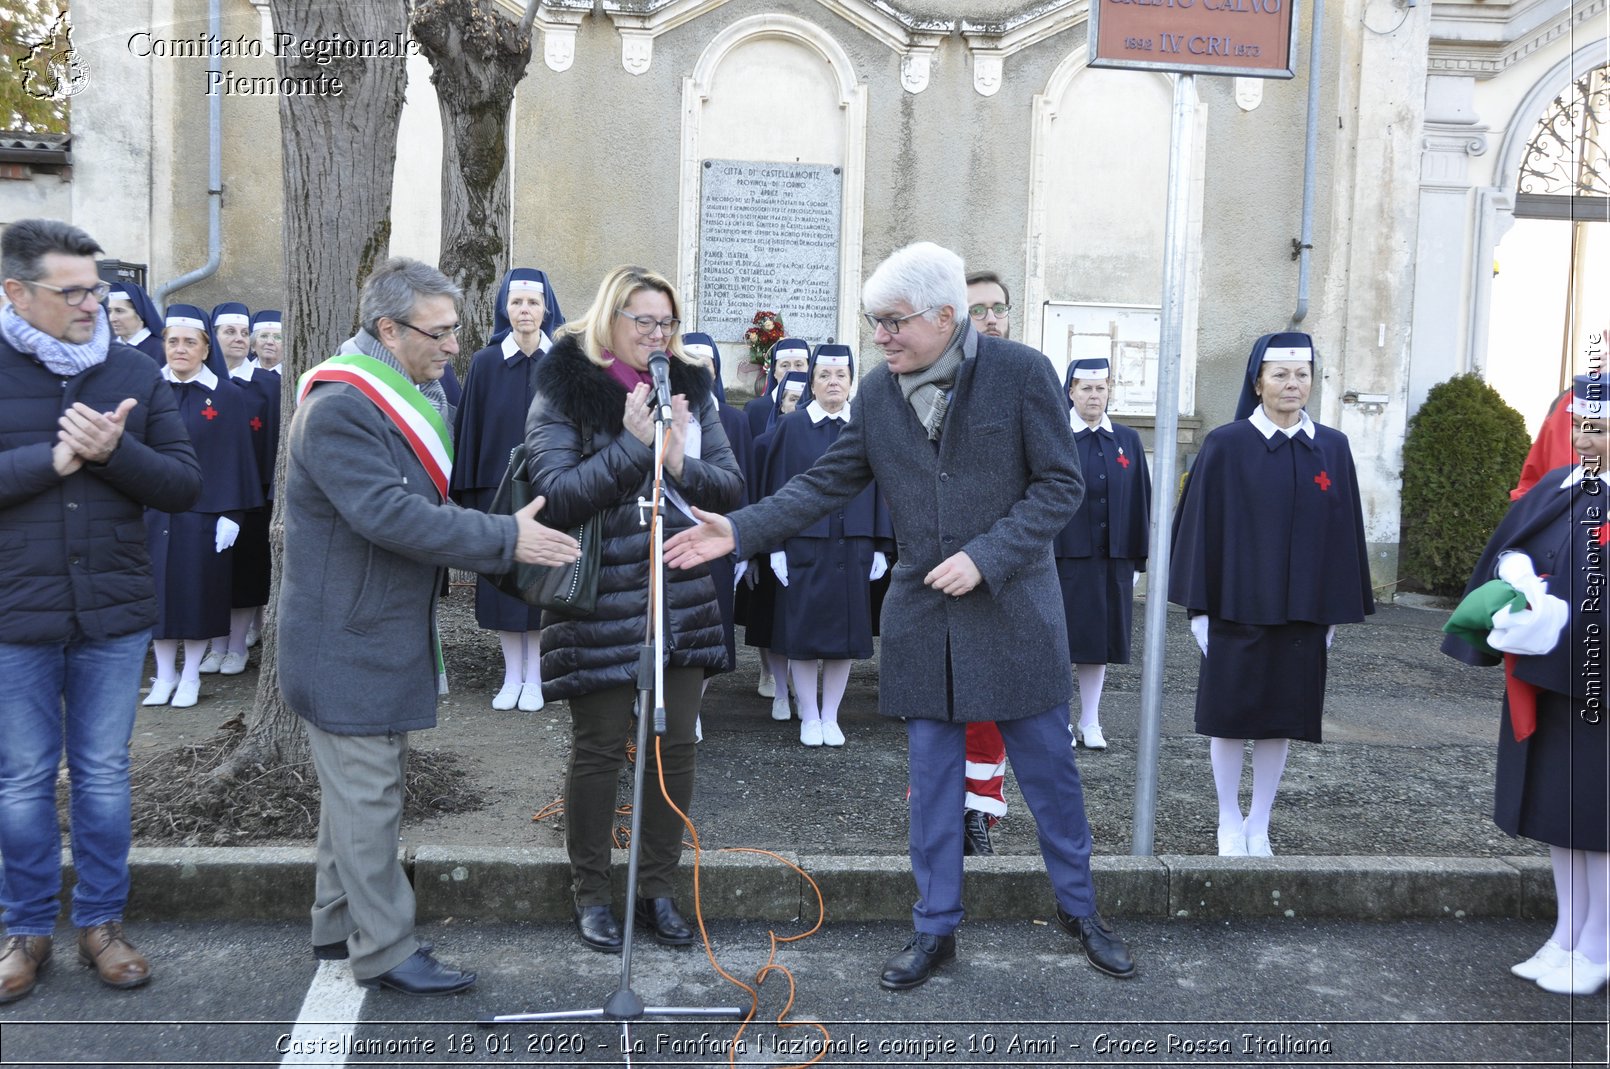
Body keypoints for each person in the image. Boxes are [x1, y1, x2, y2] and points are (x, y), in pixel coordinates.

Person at [666, 242, 1134, 990]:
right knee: (933, 789)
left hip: (1014, 614)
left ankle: (1083, 913)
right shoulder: (881, 394)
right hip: (926, 623)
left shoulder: (1021, 374)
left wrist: (988, 554)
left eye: (892, 322)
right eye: (873, 322)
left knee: (1052, 782)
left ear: (946, 316)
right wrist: (740, 528)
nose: (879, 337)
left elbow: (1058, 486)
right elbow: (824, 481)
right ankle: (934, 927)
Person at [277, 257, 579, 996]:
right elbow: (389, 514)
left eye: (455, 332)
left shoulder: (402, 392)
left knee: (353, 794)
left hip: (367, 631)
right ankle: (382, 948)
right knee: (369, 793)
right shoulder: (345, 405)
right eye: (441, 333)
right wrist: (506, 537)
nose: (455, 346)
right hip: (346, 640)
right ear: (389, 328)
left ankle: (331, 922)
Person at [0, 219, 202, 1003]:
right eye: (74, 289)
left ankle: (101, 925)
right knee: (19, 780)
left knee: (103, 775)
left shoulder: (133, 370)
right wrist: (48, 461)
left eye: (99, 287)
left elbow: (183, 485)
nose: (94, 302)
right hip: (14, 611)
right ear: (16, 292)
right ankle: (23, 932)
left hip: (113, 613)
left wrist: (116, 452)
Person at [524, 265, 743, 955]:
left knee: (672, 748)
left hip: (677, 595)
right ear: (609, 321)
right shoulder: (565, 389)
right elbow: (555, 496)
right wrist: (630, 445)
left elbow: (729, 488)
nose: (656, 335)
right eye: (642, 321)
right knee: (598, 749)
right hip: (598, 599)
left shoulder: (692, 391)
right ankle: (591, 891)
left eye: (665, 323)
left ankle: (655, 887)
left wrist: (676, 456)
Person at [1169, 331, 1375, 857]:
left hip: (1303, 611)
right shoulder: (1226, 444)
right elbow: (1199, 529)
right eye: (1280, 374)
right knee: (1230, 717)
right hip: (1235, 607)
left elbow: (1343, 531)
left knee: (1280, 718)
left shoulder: (1332, 446)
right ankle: (1227, 817)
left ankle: (1260, 820)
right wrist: (1199, 609)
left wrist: (1332, 612)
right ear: (1257, 380)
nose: (1292, 384)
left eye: (1302, 374)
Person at [1444, 372, 1608, 996]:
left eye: (1599, 430)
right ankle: (1567, 933)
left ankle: (1599, 945)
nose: (1585, 440)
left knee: (1598, 821)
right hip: (1551, 674)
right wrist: (1518, 579)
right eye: (1581, 427)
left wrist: (1564, 611)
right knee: (1559, 816)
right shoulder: (1565, 486)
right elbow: (1516, 544)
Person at [761, 343, 892, 747]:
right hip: (805, 545)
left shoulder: (867, 427)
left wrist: (883, 545)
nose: (833, 382)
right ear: (812, 382)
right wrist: (776, 545)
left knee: (844, 639)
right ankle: (810, 716)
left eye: (841, 376)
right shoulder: (792, 427)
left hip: (853, 546)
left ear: (851, 382)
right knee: (801, 637)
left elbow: (885, 487)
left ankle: (831, 715)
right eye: (824, 375)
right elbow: (777, 488)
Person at [450, 267, 565, 712]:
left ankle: (536, 677)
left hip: (547, 492)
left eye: (533, 303)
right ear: (505, 308)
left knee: (540, 583)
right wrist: (470, 493)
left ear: (546, 309)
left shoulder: (562, 362)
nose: (524, 310)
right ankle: (511, 674)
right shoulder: (484, 362)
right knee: (502, 586)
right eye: (516, 302)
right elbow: (471, 429)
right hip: (496, 493)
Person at [141, 305, 263, 708]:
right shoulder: (148, 389)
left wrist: (232, 513)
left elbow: (237, 457)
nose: (180, 349)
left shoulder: (225, 395)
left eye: (189, 342)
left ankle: (191, 674)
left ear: (205, 348)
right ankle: (164, 674)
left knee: (197, 593)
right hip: (154, 510)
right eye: (173, 341)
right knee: (157, 594)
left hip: (205, 513)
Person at [955, 270, 1019, 854]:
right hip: (947, 569)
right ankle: (945, 806)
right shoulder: (938, 383)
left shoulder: (1027, 378)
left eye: (999, 309)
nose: (992, 319)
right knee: (946, 705)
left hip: (1010, 570)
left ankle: (980, 810)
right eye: (979, 310)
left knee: (995, 706)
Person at [1057, 357, 1151, 749]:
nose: (1094, 395)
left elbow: (1140, 499)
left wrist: (1137, 558)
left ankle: (1090, 721)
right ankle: (1059, 721)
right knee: (1061, 643)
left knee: (1098, 644)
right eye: (1086, 388)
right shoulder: (1057, 434)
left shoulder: (1126, 440)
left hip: (1111, 558)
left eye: (1101, 388)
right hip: (1064, 557)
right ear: (1071, 392)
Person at [204, 300, 276, 675]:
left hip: (252, 495)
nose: (238, 338)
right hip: (208, 494)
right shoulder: (204, 384)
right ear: (213, 338)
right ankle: (214, 646)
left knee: (245, 574)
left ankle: (236, 647)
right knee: (212, 574)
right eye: (229, 331)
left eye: (244, 332)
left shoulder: (266, 385)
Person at [103, 281, 166, 364]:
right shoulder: (108, 349)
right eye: (110, 311)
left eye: (119, 311)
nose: (112, 318)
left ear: (139, 312)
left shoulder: (160, 350)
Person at [249, 308, 283, 373]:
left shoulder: (295, 377)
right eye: (264, 336)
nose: (269, 342)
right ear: (253, 346)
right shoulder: (238, 374)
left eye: (278, 337)